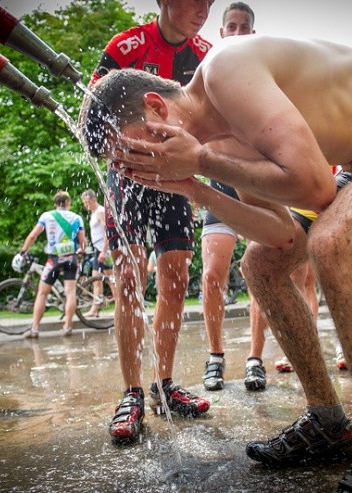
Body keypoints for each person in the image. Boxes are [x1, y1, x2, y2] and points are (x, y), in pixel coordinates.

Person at [81, 34, 352, 492]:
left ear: (156, 106)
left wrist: (201, 160)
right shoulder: (218, 144)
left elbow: (314, 188)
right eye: (129, 163)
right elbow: (281, 235)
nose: (144, 166)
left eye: (137, 150)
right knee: (261, 266)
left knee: (335, 245)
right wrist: (195, 187)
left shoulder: (226, 69)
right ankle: (328, 422)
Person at [88, 0, 214, 445]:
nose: (203, 8)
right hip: (127, 170)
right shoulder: (126, 46)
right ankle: (131, 392)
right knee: (128, 276)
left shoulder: (206, 54)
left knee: (176, 277)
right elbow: (94, 115)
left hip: (177, 174)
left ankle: (163, 384)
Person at [199, 2, 265, 392]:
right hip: (221, 186)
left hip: (258, 188)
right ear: (222, 33)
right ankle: (216, 356)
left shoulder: (264, 73)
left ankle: (255, 358)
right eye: (231, 27)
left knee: (258, 273)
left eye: (244, 27)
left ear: (251, 34)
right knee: (211, 275)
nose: (237, 33)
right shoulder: (206, 73)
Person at [17, 190, 86, 339]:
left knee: (42, 293)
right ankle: (67, 327)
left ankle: (35, 329)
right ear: (68, 203)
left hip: (54, 259)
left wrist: (23, 251)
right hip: (71, 259)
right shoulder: (77, 218)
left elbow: (33, 236)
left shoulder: (47, 216)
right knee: (70, 293)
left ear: (56, 204)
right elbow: (83, 243)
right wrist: (81, 250)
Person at [80, 189, 114, 317]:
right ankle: (95, 308)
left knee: (111, 280)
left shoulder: (100, 212)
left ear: (94, 200)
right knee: (96, 279)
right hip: (98, 249)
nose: (85, 205)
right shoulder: (94, 213)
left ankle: (119, 306)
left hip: (104, 250)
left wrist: (105, 251)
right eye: (84, 202)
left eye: (87, 202)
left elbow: (107, 232)